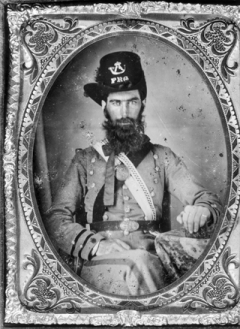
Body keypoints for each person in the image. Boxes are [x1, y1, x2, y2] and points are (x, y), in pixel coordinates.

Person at [45, 52, 222, 296]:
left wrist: (202, 209)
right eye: (116, 103)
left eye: (132, 101)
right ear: (105, 106)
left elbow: (206, 198)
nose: (125, 111)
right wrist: (96, 245)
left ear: (143, 104)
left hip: (153, 257)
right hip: (101, 264)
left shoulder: (164, 156)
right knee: (138, 263)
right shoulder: (85, 160)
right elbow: (54, 221)